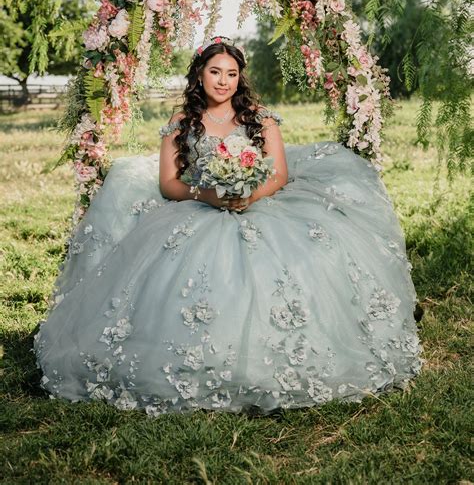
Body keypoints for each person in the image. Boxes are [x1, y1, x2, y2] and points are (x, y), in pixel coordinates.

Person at [34, 37, 422, 416]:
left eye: (232, 73)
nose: (223, 81)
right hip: (199, 206)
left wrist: (249, 197)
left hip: (260, 204)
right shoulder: (181, 122)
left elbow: (280, 175)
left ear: (240, 77)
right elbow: (169, 183)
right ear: (199, 75)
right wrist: (208, 196)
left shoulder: (260, 118)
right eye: (215, 71)